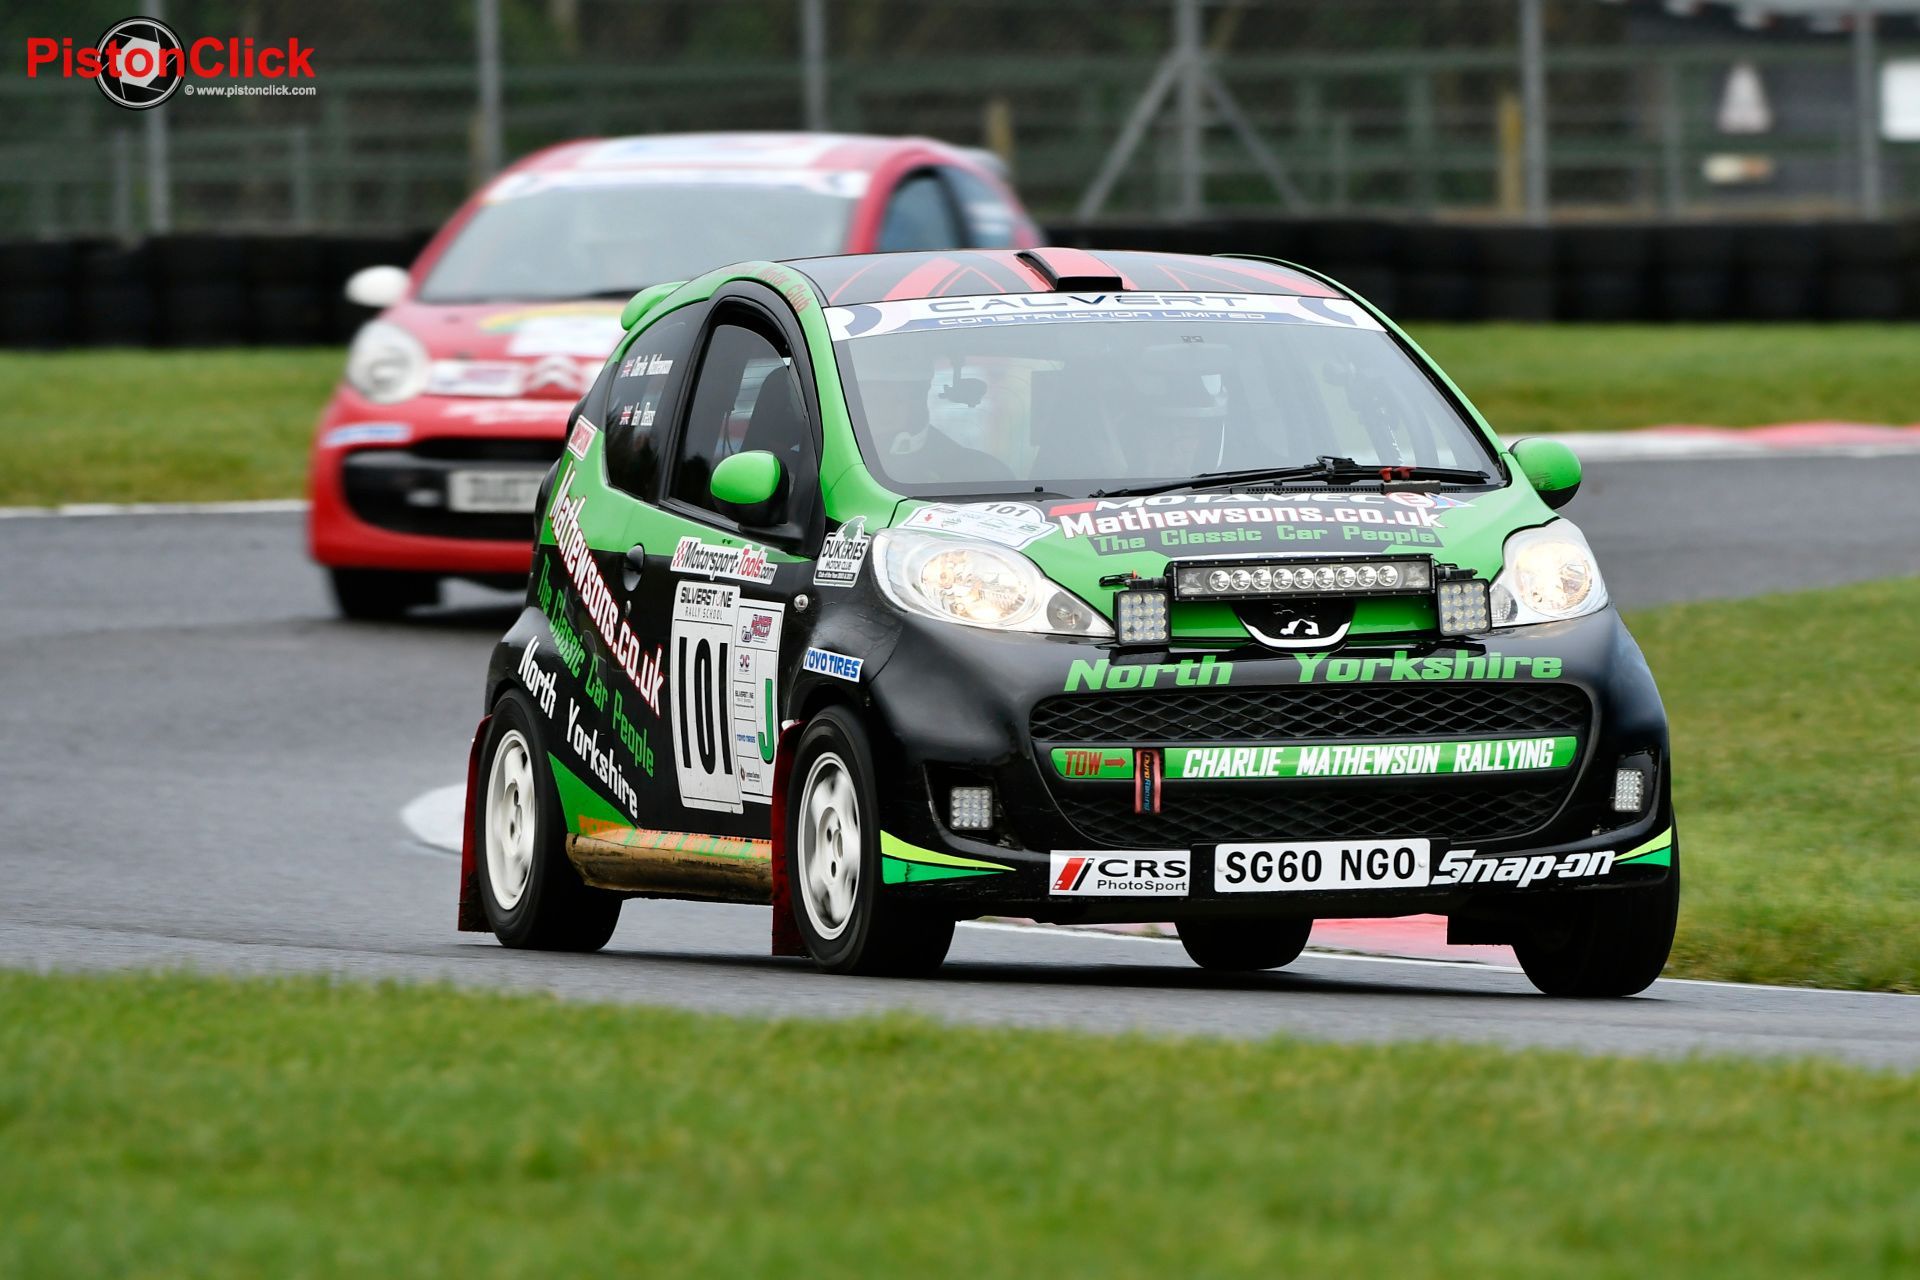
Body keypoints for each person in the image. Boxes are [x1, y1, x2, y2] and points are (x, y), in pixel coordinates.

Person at [859, 378, 1013, 485]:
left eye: (897, 401)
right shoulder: (852, 462)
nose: (886, 410)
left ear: (911, 407)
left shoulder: (975, 469)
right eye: (873, 401)